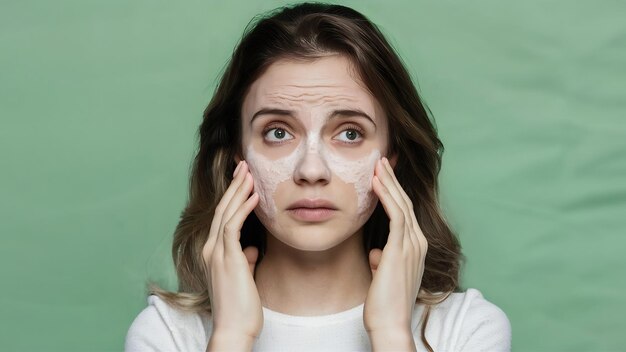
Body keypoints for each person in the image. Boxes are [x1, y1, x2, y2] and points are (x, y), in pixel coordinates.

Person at [125, 3, 511, 351]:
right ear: (238, 156)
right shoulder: (168, 334)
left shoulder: (466, 330)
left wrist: (392, 334)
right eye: (278, 132)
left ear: (392, 157)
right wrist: (230, 338)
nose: (311, 171)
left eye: (349, 133)